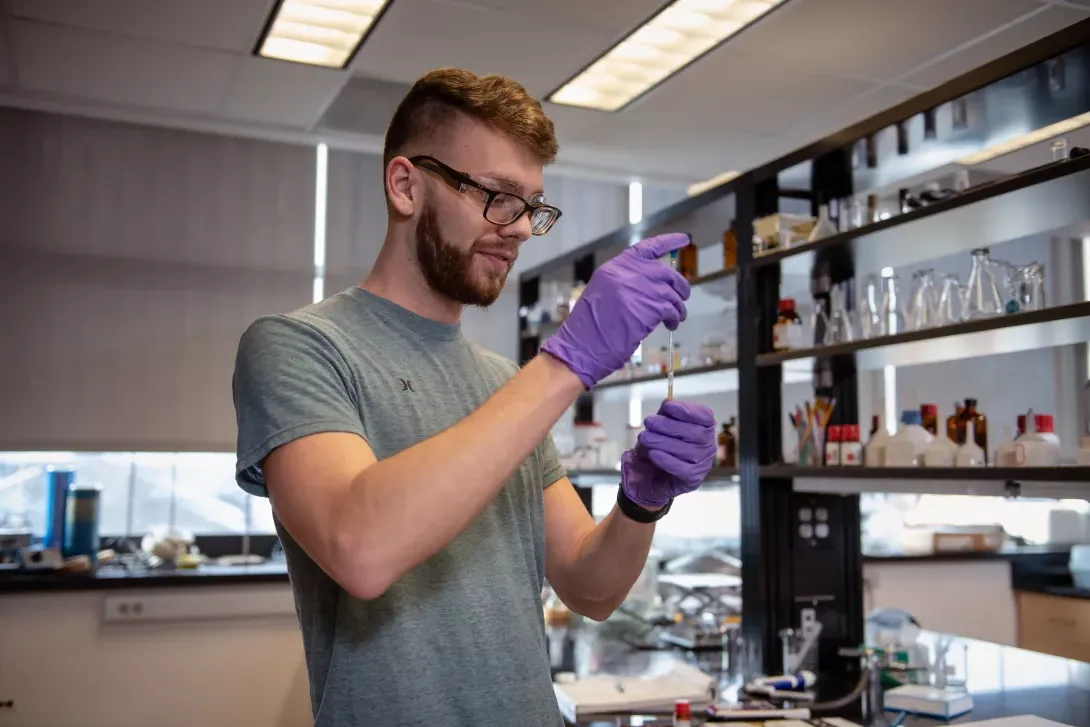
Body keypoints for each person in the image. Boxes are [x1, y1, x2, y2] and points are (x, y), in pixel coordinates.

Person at [232, 68, 717, 727]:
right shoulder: (298, 347)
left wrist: (642, 502)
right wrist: (566, 363)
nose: (518, 228)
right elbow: (360, 548)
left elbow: (591, 587)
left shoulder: (501, 383)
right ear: (406, 185)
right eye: (496, 196)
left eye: (532, 206)